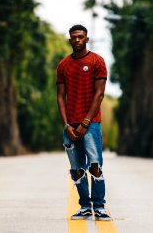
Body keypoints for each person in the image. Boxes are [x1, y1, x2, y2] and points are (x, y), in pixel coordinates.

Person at [56, 24, 112, 221]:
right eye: (74, 37)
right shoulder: (63, 65)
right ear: (70, 40)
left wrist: (86, 122)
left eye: (81, 37)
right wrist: (66, 125)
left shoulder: (97, 61)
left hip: (91, 124)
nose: (77, 40)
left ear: (86, 39)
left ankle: (100, 206)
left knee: (95, 165)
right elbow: (61, 97)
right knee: (77, 169)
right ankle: (85, 207)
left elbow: (99, 94)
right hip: (70, 125)